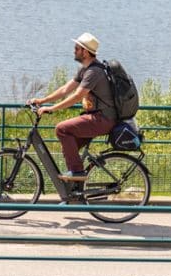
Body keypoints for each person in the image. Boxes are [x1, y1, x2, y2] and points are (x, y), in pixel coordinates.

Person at [31, 32, 117, 182]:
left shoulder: (93, 72)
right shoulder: (85, 69)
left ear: (85, 52)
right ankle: (76, 189)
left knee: (62, 129)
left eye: (77, 48)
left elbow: (77, 96)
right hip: (96, 117)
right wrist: (42, 100)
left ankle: (77, 173)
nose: (74, 50)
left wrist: (51, 109)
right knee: (69, 149)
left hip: (103, 119)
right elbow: (65, 89)